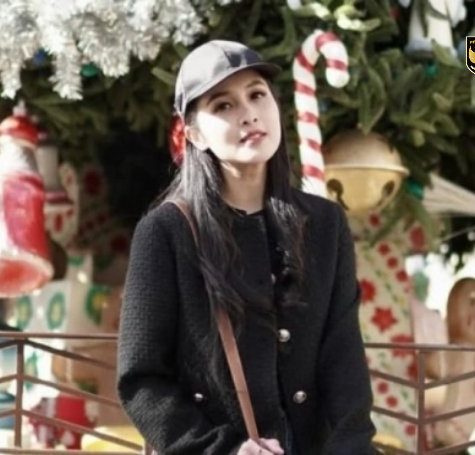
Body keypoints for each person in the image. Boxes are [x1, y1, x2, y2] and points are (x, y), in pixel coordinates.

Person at [116, 40, 377, 455]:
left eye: (257, 94)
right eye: (223, 105)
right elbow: (142, 380)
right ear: (194, 134)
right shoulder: (166, 232)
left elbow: (343, 359)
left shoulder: (325, 224)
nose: (249, 113)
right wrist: (223, 449)